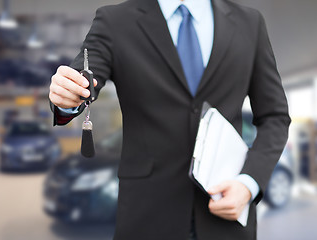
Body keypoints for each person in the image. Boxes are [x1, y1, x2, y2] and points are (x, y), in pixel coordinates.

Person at [48, 0, 291, 239]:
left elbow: (275, 117)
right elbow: (83, 77)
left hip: (227, 209)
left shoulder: (250, 23)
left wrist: (248, 184)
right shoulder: (114, 21)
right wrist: (68, 94)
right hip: (146, 215)